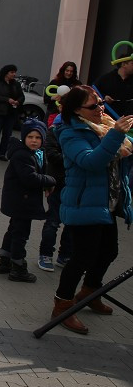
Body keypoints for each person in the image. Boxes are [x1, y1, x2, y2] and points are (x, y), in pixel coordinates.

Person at [49, 86, 133, 335]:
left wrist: (121, 132)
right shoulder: (70, 132)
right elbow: (90, 161)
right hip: (84, 204)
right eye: (93, 106)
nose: (100, 109)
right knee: (82, 258)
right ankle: (62, 305)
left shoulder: (104, 124)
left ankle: (89, 292)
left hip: (106, 203)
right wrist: (116, 135)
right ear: (77, 110)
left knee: (109, 251)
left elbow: (124, 148)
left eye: (100, 103)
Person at [0, 119, 55, 284]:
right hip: (21, 202)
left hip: (19, 201)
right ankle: (18, 267)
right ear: (24, 138)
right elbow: (29, 178)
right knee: (21, 235)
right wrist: (50, 180)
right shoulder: (22, 155)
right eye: (30, 137)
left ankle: (4, 261)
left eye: (38, 137)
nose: (34, 140)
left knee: (13, 230)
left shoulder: (32, 154)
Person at [40, 115, 72, 272]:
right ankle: (45, 254)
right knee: (53, 220)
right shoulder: (56, 130)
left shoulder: (86, 131)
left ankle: (64, 255)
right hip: (57, 184)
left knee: (71, 223)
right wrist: (74, 156)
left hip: (74, 185)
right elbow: (52, 156)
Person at [0, 64, 24, 160]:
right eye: (12, 72)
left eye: (14, 72)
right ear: (6, 73)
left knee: (7, 134)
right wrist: (7, 99)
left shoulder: (16, 84)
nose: (14, 74)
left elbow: (21, 96)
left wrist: (18, 101)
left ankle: (2, 152)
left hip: (11, 112)